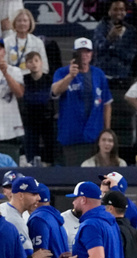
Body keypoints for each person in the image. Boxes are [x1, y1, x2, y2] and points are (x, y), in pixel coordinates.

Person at [52, 38, 113, 166]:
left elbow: (106, 103)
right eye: (80, 52)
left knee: (95, 175)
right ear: (75, 54)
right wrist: (70, 76)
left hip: (95, 134)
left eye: (87, 52)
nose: (84, 55)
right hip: (71, 133)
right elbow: (55, 91)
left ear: (91, 54)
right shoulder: (62, 72)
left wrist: (107, 131)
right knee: (73, 174)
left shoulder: (98, 74)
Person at [20, 51, 55, 166]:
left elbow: (47, 98)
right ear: (26, 65)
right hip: (30, 120)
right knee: (30, 149)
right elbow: (26, 98)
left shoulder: (49, 79)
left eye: (36, 60)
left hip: (47, 119)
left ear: (41, 63)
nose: (34, 64)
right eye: (30, 61)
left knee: (50, 149)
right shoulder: (24, 80)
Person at [93, 0, 137, 88]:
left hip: (123, 77)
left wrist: (112, 49)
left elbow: (130, 55)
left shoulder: (131, 30)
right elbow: (98, 50)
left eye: (121, 9)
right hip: (103, 76)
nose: (118, 12)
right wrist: (109, 39)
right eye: (115, 9)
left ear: (125, 12)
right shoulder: (101, 27)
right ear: (109, 11)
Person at [4, 9, 47, 76]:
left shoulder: (38, 42)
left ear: (30, 23)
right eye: (19, 21)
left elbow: (44, 67)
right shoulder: (6, 42)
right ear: (14, 23)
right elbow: (4, 65)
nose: (22, 23)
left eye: (25, 21)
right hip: (12, 78)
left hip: (32, 79)